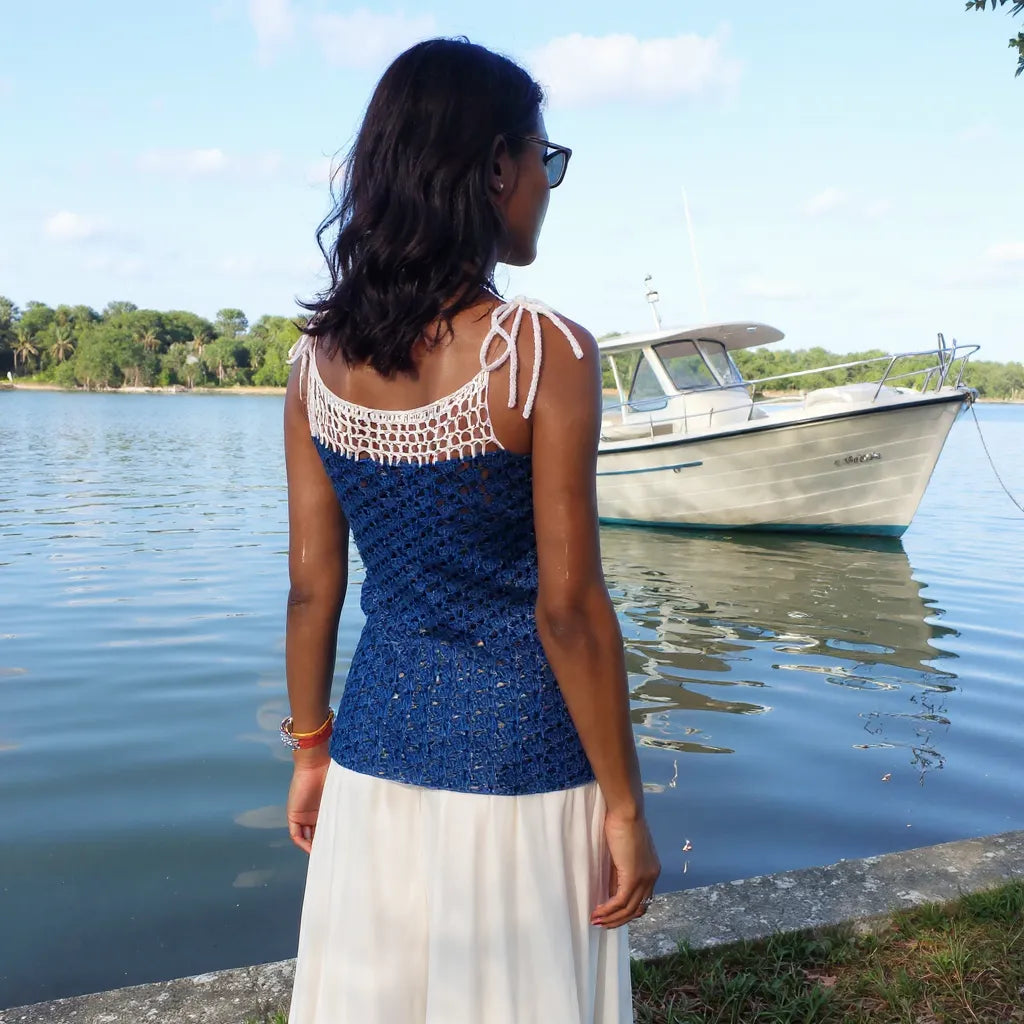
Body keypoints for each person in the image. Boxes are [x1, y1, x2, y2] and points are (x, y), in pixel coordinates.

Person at [281, 37, 660, 1024]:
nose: (549, 183)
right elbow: (569, 609)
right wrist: (624, 803)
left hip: (370, 762)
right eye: (549, 158)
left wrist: (310, 750)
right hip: (526, 770)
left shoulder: (314, 363)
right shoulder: (543, 351)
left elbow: (312, 588)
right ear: (497, 166)